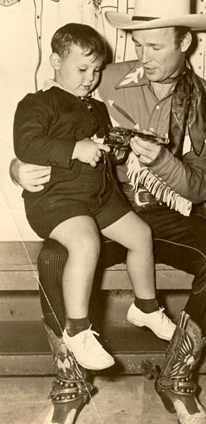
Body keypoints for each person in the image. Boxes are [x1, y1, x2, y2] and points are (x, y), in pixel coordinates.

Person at [10, 0, 206, 424]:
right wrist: (18, 167)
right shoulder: (102, 82)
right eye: (139, 44)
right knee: (56, 255)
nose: (144, 56)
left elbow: (200, 189)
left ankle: (176, 377)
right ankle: (70, 383)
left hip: (172, 215)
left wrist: (165, 162)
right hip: (100, 206)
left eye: (156, 46)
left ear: (185, 42)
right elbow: (44, 126)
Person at [13, 23, 176, 371]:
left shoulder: (96, 108)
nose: (91, 78)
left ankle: (145, 308)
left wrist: (118, 147)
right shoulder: (37, 103)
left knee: (141, 235)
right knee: (86, 243)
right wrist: (76, 148)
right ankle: (77, 330)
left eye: (97, 70)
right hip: (56, 201)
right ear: (56, 61)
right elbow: (26, 144)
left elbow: (100, 151)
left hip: (98, 198)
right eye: (82, 69)